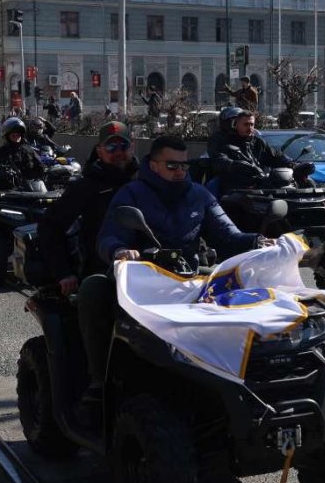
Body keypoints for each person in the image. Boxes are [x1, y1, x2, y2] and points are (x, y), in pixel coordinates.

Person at [75, 136, 268, 418]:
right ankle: (98, 381)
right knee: (93, 289)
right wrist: (119, 250)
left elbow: (229, 236)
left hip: (188, 278)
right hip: (140, 279)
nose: (179, 171)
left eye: (184, 165)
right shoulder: (131, 194)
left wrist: (259, 241)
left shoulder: (200, 195)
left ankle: (241, 378)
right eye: (172, 165)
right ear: (153, 165)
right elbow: (109, 236)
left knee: (243, 291)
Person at [38, 121, 139, 297]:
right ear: (99, 151)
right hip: (101, 274)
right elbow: (50, 226)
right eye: (111, 147)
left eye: (123, 146)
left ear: (132, 147)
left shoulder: (144, 181)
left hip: (146, 269)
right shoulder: (86, 186)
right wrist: (64, 273)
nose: (118, 152)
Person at [206, 109, 311, 193]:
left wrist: (293, 165)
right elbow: (218, 158)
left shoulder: (257, 141)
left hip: (259, 181)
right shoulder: (220, 140)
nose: (250, 128)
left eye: (251, 124)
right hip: (236, 182)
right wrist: (234, 165)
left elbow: (275, 156)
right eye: (246, 124)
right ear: (235, 124)